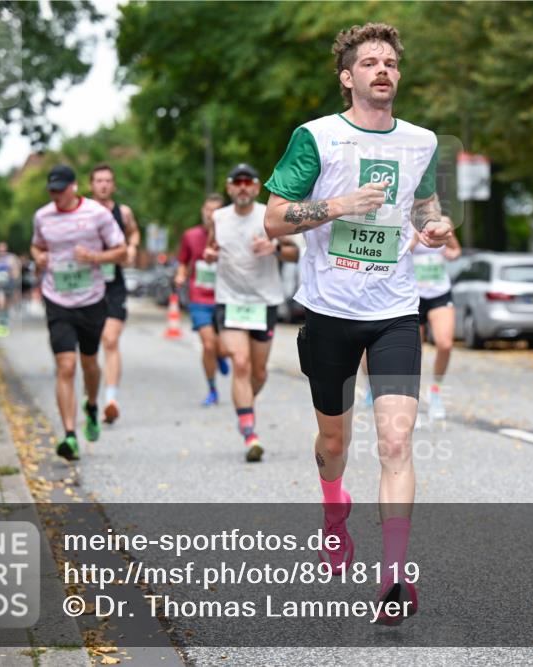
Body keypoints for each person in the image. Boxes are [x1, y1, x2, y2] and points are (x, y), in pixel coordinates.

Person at [264, 22, 452, 624]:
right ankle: (333, 507)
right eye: (369, 62)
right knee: (334, 444)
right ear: (348, 78)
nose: (382, 70)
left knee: (395, 442)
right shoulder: (316, 138)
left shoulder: (422, 142)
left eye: (390, 62)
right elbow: (273, 221)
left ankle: (394, 577)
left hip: (395, 311)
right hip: (330, 312)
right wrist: (339, 205)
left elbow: (423, 207)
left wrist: (436, 228)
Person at [30, 165, 127, 461]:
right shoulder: (42, 216)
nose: (56, 195)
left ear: (73, 187)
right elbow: (35, 246)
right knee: (65, 366)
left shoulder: (97, 213)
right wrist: (40, 257)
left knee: (88, 364)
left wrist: (94, 256)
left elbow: (121, 251)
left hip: (91, 299)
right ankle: (70, 436)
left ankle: (93, 404)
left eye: (61, 189)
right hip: (56, 298)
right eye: (52, 190)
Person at [208, 163, 298, 463]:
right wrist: (209, 255)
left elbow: (294, 252)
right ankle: (250, 432)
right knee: (242, 364)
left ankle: (243, 404)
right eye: (238, 182)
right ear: (229, 187)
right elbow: (210, 249)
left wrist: (272, 248)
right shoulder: (218, 218)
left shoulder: (268, 216)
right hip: (230, 300)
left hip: (264, 302)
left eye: (249, 182)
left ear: (257, 187)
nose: (243, 186)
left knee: (258, 373)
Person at [89, 164, 141, 425]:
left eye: (108, 181)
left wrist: (131, 248)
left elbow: (133, 232)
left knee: (110, 340)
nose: (104, 185)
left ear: (114, 185)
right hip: (87, 285)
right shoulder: (82, 212)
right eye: (99, 181)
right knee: (89, 347)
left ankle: (111, 399)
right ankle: (91, 399)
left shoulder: (123, 212)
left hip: (114, 284)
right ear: (91, 185)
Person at [176, 193, 230, 406]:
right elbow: (183, 261)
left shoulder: (229, 236)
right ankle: (212, 389)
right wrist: (180, 275)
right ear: (202, 211)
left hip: (225, 297)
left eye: (216, 210)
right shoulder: (190, 236)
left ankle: (221, 355)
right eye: (208, 210)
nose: (211, 215)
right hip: (199, 297)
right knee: (208, 345)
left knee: (224, 347)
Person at [411, 218, 461, 420]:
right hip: (412, 294)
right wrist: (415, 239)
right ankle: (409, 399)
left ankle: (435, 392)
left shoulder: (444, 222)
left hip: (439, 292)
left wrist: (448, 253)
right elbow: (395, 253)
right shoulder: (404, 218)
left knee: (445, 343)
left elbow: (456, 250)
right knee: (414, 351)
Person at [0, 242, 19, 337]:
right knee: (1, 304)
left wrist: (12, 277)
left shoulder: (11, 258)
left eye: (3, 249)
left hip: (9, 285)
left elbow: (16, 271)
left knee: (6, 306)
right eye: (0, 249)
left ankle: (4, 324)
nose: (1, 251)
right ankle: (1, 326)